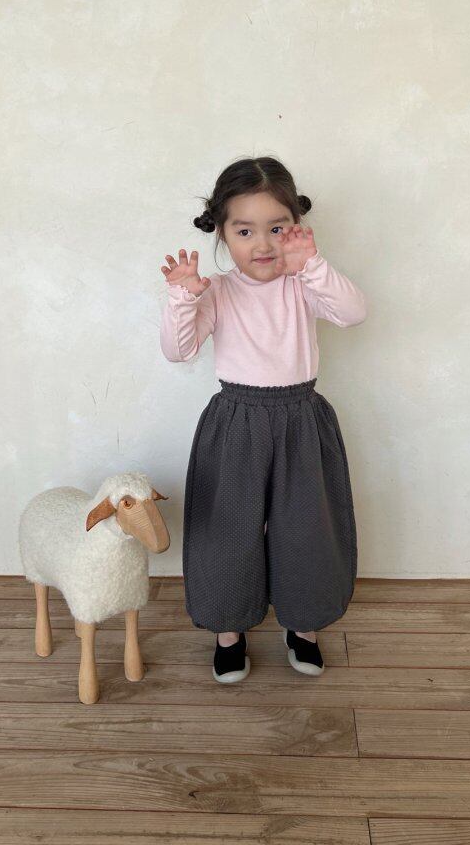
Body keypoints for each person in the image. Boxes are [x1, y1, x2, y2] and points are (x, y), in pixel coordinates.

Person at [159, 156, 366, 683]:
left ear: (296, 226)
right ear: (222, 234)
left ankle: (304, 627)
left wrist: (312, 265)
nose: (263, 244)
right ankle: (228, 633)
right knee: (227, 532)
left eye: (276, 228)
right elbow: (179, 350)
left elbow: (353, 313)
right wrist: (183, 297)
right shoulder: (217, 291)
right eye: (244, 230)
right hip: (236, 422)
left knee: (306, 529)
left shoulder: (303, 284)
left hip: (301, 419)